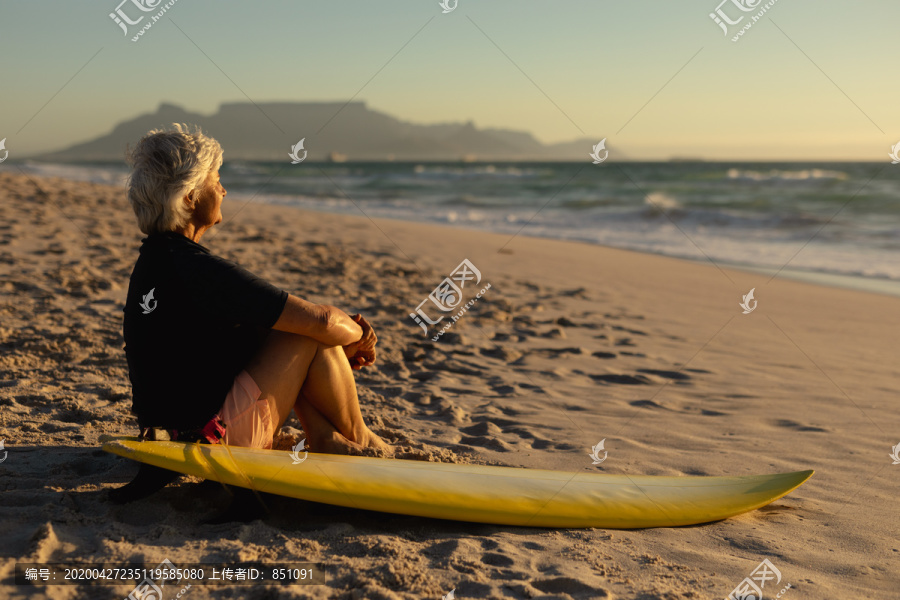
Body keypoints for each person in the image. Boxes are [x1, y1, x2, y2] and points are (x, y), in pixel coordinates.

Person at [112, 124, 389, 503]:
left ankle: (325, 437)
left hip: (167, 435)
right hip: (211, 438)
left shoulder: (155, 262)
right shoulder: (197, 270)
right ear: (191, 197)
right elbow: (320, 321)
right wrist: (360, 338)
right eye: (217, 179)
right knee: (306, 329)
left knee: (287, 328)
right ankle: (360, 438)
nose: (223, 190)